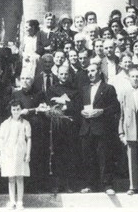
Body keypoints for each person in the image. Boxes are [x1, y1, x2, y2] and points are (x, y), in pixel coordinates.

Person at [78, 62, 119, 195]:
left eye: (93, 71)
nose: (90, 74)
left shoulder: (108, 88)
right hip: (87, 128)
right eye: (88, 71)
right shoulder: (84, 89)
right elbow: (79, 106)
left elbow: (115, 107)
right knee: (88, 158)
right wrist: (81, 112)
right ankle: (90, 185)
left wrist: (101, 111)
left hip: (102, 128)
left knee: (104, 157)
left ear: (99, 72)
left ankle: (107, 185)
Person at [45, 64, 80, 193]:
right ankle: (57, 184)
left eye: (66, 74)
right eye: (61, 74)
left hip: (70, 126)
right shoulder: (52, 89)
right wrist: (64, 103)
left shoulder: (75, 90)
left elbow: (77, 106)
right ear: (57, 75)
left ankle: (68, 184)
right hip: (57, 125)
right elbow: (51, 105)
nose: (64, 76)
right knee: (57, 154)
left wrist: (63, 102)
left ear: (69, 75)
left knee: (70, 154)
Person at [0, 100, 32, 210]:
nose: (16, 111)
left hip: (20, 153)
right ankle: (12, 200)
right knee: (11, 177)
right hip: (9, 153)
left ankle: (20, 201)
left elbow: (29, 139)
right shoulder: (5, 123)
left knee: (20, 177)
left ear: (21, 110)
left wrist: (28, 154)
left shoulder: (26, 123)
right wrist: (2, 155)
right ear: (10, 110)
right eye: (13, 109)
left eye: (18, 109)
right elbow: (2, 141)